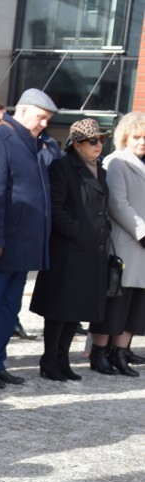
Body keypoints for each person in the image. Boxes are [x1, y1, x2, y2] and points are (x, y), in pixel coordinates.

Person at [0, 88, 58, 389]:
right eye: (41, 117)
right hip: (5, 244)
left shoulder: (32, 141)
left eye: (47, 119)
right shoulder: (0, 139)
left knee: (9, 307)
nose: (44, 124)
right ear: (23, 110)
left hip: (25, 243)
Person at [29, 119, 111, 381]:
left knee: (75, 310)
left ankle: (63, 360)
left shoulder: (101, 170)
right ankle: (50, 359)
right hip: (68, 250)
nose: (99, 145)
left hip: (90, 251)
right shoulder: (62, 167)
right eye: (93, 140)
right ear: (77, 144)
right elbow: (55, 207)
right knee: (60, 308)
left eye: (101, 139)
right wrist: (77, 231)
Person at [89, 112, 145, 376]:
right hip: (126, 243)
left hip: (141, 248)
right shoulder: (116, 162)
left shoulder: (142, 163)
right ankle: (100, 352)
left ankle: (121, 352)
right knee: (114, 301)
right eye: (137, 136)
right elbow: (118, 203)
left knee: (135, 304)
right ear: (125, 136)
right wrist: (143, 232)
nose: (142, 142)